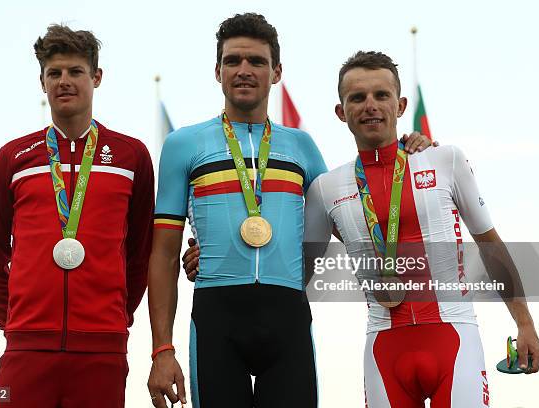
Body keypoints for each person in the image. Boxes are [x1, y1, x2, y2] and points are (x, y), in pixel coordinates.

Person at [147, 14, 431, 408]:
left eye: (257, 61)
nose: (244, 71)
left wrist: (405, 156)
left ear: (276, 71)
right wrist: (162, 348)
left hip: (287, 318)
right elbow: (162, 252)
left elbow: (355, 215)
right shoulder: (183, 145)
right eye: (233, 61)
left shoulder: (301, 146)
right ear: (217, 71)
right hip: (216, 319)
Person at [302, 51, 539, 407]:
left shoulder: (444, 159)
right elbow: (296, 270)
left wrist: (525, 324)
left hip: (454, 338)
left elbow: (491, 246)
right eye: (358, 97)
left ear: (400, 105)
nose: (370, 105)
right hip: (383, 346)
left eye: (381, 95)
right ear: (341, 112)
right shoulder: (326, 188)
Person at [0, 24, 154, 408]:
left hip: (103, 348)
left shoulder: (131, 156)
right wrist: (13, 321)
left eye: (75, 71)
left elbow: (141, 253)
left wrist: (114, 319)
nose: (64, 81)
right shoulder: (14, 157)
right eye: (54, 73)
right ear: (42, 82)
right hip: (25, 347)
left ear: (96, 77)